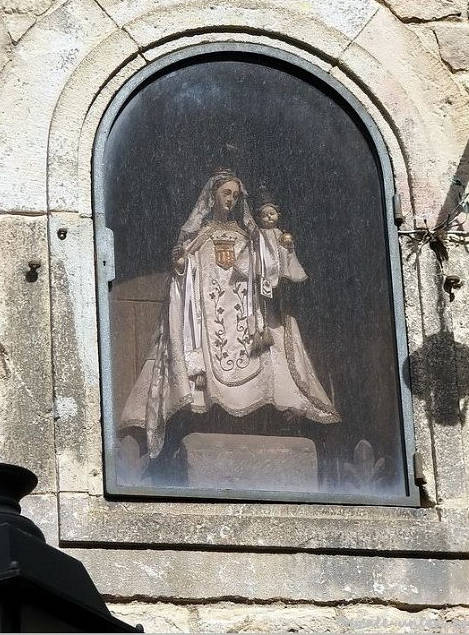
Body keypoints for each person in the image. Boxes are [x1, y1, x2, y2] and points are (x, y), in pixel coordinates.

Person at [119, 169, 340, 462]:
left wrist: (275, 249)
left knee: (270, 356)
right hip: (207, 317)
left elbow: (265, 268)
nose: (231, 200)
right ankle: (207, 409)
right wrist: (183, 266)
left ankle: (261, 414)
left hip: (245, 317)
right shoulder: (200, 237)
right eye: (226, 193)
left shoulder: (248, 236)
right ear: (212, 197)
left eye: (235, 195)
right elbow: (184, 275)